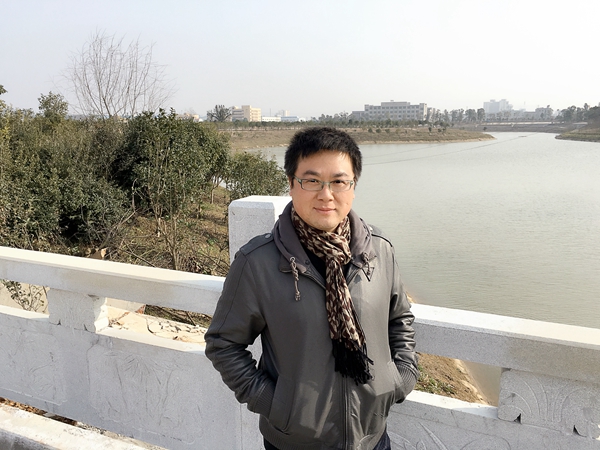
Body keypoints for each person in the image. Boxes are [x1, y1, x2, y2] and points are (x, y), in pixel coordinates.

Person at [205, 127, 419, 450]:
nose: (326, 194)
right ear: (291, 184)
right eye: (312, 181)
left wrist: (400, 378)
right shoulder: (258, 262)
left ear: (353, 186)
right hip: (293, 443)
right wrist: (275, 404)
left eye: (338, 181)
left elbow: (399, 319)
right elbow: (223, 344)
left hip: (372, 439)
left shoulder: (377, 251)